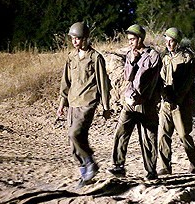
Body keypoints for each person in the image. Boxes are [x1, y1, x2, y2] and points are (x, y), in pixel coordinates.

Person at [57, 22, 112, 187]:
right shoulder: (71, 57)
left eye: (78, 38)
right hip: (73, 102)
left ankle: (90, 162)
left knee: (74, 134)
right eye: (72, 38)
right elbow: (65, 82)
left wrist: (106, 107)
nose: (74, 41)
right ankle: (85, 174)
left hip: (88, 102)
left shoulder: (96, 58)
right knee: (73, 142)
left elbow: (103, 84)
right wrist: (62, 104)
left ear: (85, 38)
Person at [110, 24, 162, 179]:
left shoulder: (153, 56)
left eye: (132, 39)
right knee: (121, 132)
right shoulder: (129, 54)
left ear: (140, 39)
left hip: (146, 103)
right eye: (129, 39)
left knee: (148, 138)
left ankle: (151, 171)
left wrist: (142, 98)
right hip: (129, 101)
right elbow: (128, 77)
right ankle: (118, 166)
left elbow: (151, 80)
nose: (130, 42)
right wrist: (132, 61)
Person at [157, 27, 195, 175]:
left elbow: (188, 83)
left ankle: (193, 161)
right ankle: (165, 166)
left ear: (177, 42)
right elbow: (161, 78)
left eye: (172, 41)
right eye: (167, 40)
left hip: (180, 104)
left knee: (183, 135)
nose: (168, 44)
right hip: (166, 103)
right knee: (163, 135)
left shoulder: (187, 58)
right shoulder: (165, 58)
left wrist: (177, 98)